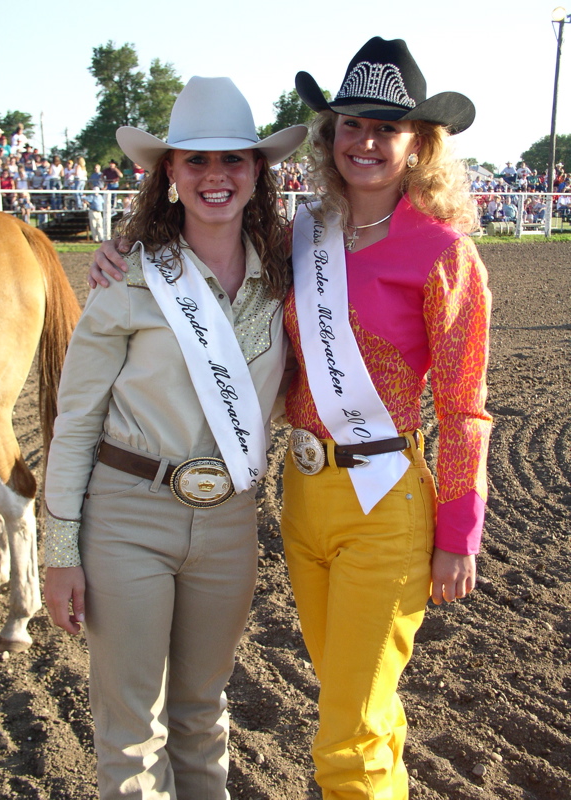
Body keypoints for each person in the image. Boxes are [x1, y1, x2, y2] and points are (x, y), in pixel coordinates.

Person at [43, 76, 306, 800]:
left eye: (233, 160)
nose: (215, 176)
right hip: (128, 516)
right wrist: (59, 550)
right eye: (195, 161)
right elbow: (76, 420)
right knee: (130, 735)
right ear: (168, 174)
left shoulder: (286, 272)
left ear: (258, 171)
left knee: (204, 717)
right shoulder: (127, 274)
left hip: (229, 522)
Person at [277, 37, 491, 799]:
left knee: (347, 735)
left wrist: (457, 533)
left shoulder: (443, 254)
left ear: (419, 144)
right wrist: (121, 251)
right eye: (349, 125)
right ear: (329, 137)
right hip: (301, 498)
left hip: (386, 506)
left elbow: (464, 407)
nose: (364, 142)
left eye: (386, 128)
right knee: (363, 709)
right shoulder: (300, 238)